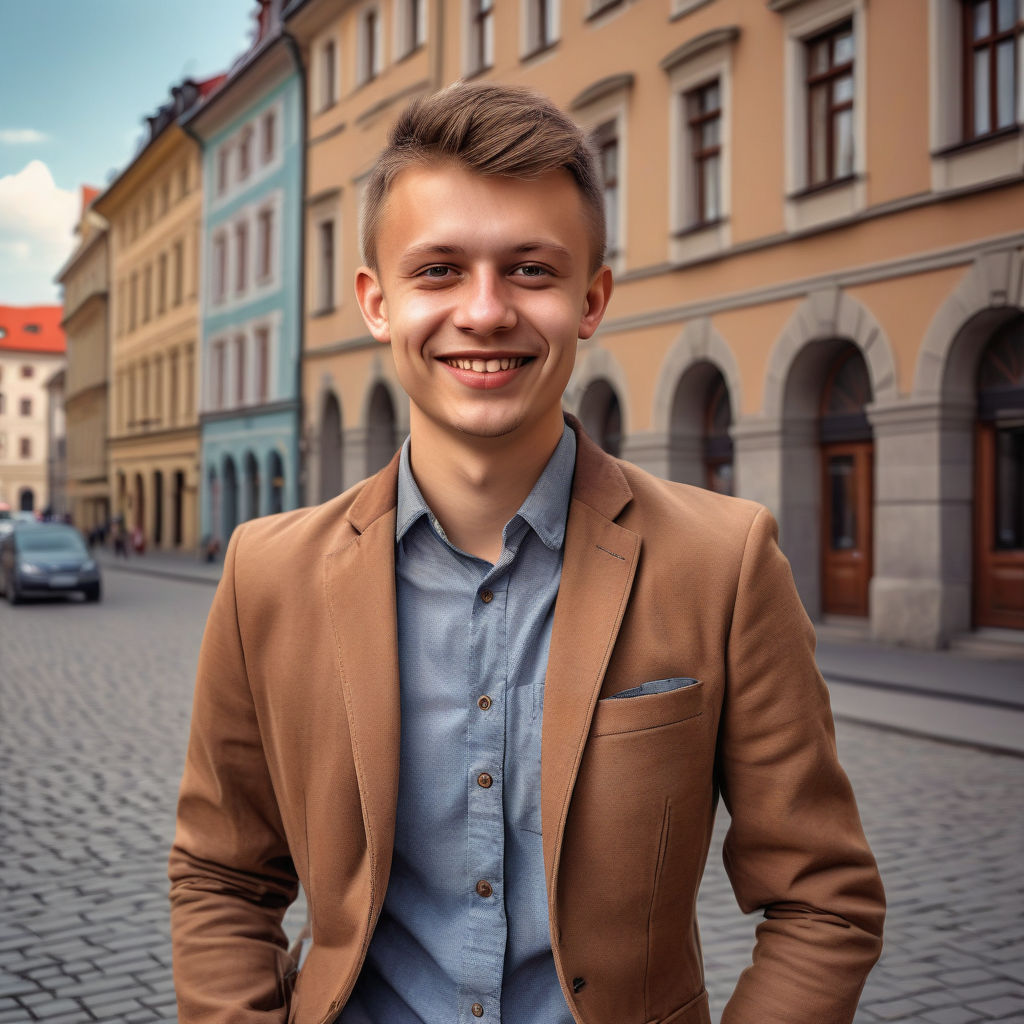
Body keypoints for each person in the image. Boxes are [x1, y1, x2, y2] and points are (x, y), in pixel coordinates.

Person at [169, 82, 884, 1024]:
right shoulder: (267, 573)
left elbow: (822, 897)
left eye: (531, 272)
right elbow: (223, 877)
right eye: (437, 272)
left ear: (590, 301)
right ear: (376, 303)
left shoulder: (723, 562)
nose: (485, 311)